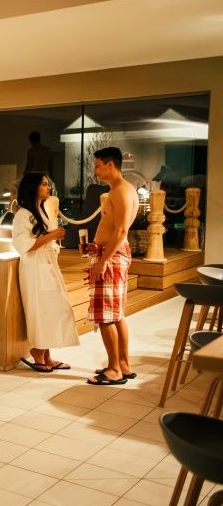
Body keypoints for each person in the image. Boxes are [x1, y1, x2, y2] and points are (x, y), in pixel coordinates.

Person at [12, 173, 79, 372]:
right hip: (34, 268)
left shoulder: (41, 211)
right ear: (33, 187)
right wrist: (51, 236)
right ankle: (38, 352)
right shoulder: (22, 215)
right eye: (44, 184)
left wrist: (53, 237)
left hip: (47, 265)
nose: (48, 187)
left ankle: (46, 355)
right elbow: (23, 245)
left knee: (53, 308)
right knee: (41, 310)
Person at [86, 147, 138, 386]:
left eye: (97, 165)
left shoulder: (121, 191)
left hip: (113, 257)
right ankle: (123, 365)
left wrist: (103, 260)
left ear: (110, 164)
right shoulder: (118, 190)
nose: (94, 170)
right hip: (110, 253)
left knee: (106, 316)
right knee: (116, 315)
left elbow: (121, 231)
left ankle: (115, 369)